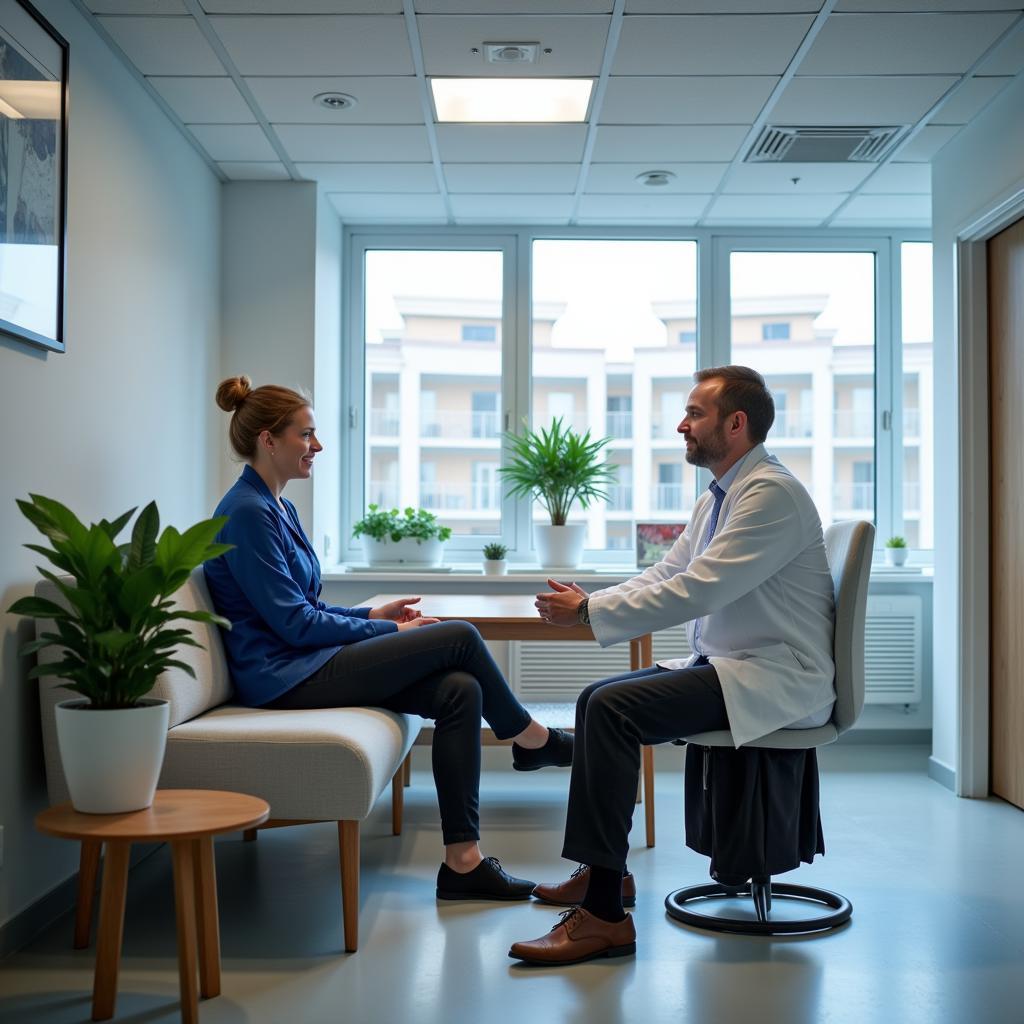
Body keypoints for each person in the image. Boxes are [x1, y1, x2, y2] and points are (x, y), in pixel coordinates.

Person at [508, 365, 836, 965]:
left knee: (610, 708)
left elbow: (700, 590)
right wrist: (595, 603)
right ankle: (606, 873)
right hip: (734, 665)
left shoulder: (770, 494)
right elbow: (670, 573)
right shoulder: (722, 495)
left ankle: (604, 916)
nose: (682, 425)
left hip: (775, 675)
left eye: (695, 413)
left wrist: (590, 612)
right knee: (595, 700)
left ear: (736, 424)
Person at [205, 376, 573, 901]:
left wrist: (370, 612)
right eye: (306, 435)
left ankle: (463, 865)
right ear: (269, 439)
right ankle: (532, 739)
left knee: (460, 691)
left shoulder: (278, 506)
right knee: (459, 637)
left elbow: (303, 608)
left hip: (305, 660)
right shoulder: (246, 512)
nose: (318, 446)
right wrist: (387, 628)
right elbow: (295, 625)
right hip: (281, 677)